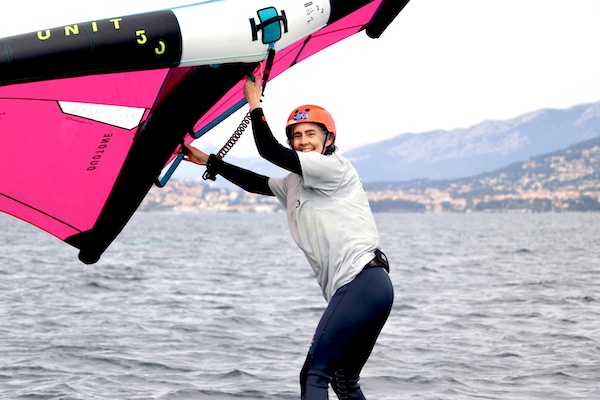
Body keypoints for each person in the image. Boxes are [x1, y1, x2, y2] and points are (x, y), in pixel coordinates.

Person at [183, 77, 394, 400]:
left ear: (328, 139)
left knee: (314, 374)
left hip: (361, 282)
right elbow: (256, 183)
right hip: (369, 286)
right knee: (343, 379)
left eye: (311, 134)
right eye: (296, 136)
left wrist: (255, 104)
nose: (303, 141)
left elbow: (269, 151)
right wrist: (210, 162)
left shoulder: (334, 168)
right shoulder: (294, 182)